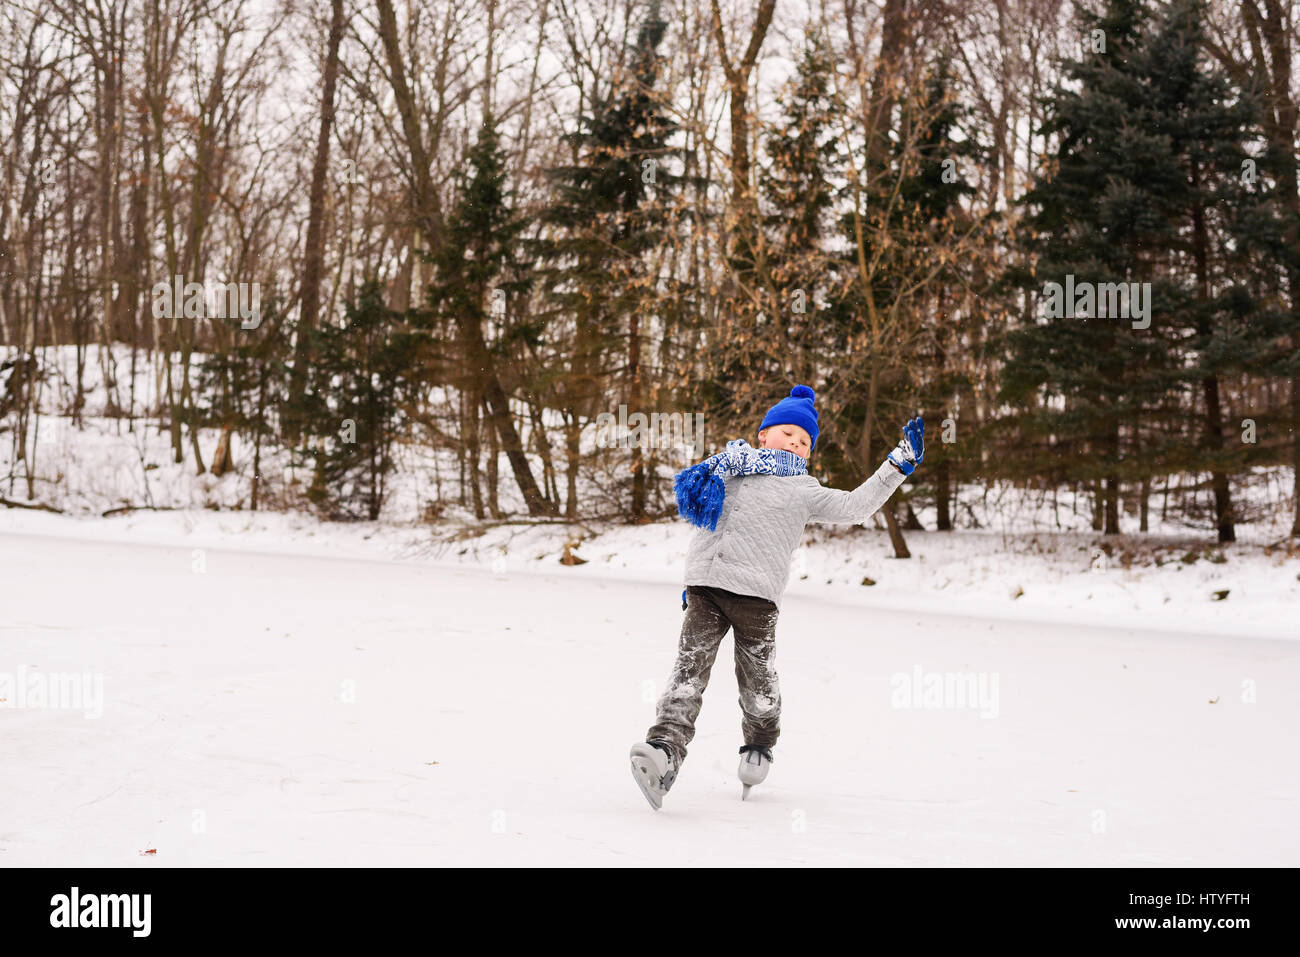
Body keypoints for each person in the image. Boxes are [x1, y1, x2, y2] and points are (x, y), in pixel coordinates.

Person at [629, 384, 924, 809]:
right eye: (789, 433)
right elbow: (704, 521)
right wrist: (693, 578)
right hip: (707, 589)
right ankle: (664, 752)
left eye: (805, 441)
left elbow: (856, 507)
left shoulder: (805, 490)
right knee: (687, 674)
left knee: (758, 686)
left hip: (758, 601)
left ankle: (759, 744)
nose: (797, 443)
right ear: (764, 434)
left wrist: (898, 464)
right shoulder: (730, 467)